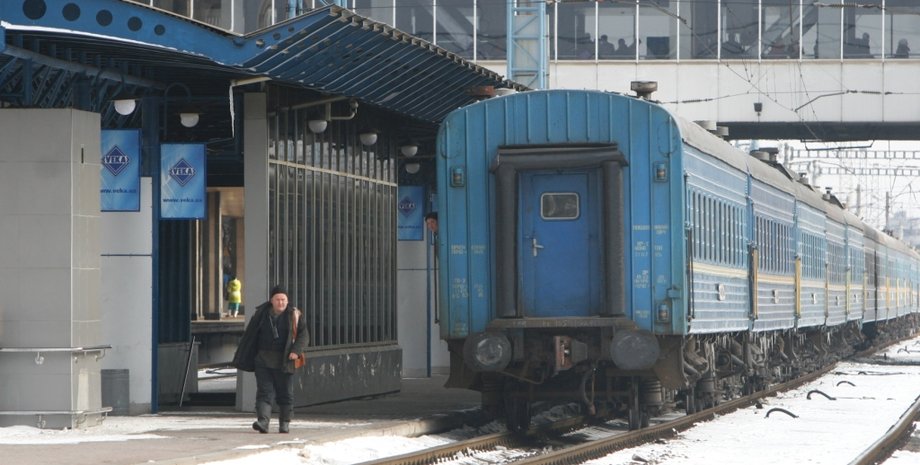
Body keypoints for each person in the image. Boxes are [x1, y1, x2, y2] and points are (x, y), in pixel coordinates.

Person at [231, 285, 308, 434]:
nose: (281, 302)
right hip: (263, 360)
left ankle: (284, 422)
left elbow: (304, 335)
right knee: (264, 392)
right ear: (271, 301)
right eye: (278, 299)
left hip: (285, 361)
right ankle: (263, 421)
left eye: (283, 299)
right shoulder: (261, 314)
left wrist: (295, 351)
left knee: (285, 393)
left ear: (287, 301)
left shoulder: (294, 315)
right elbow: (250, 335)